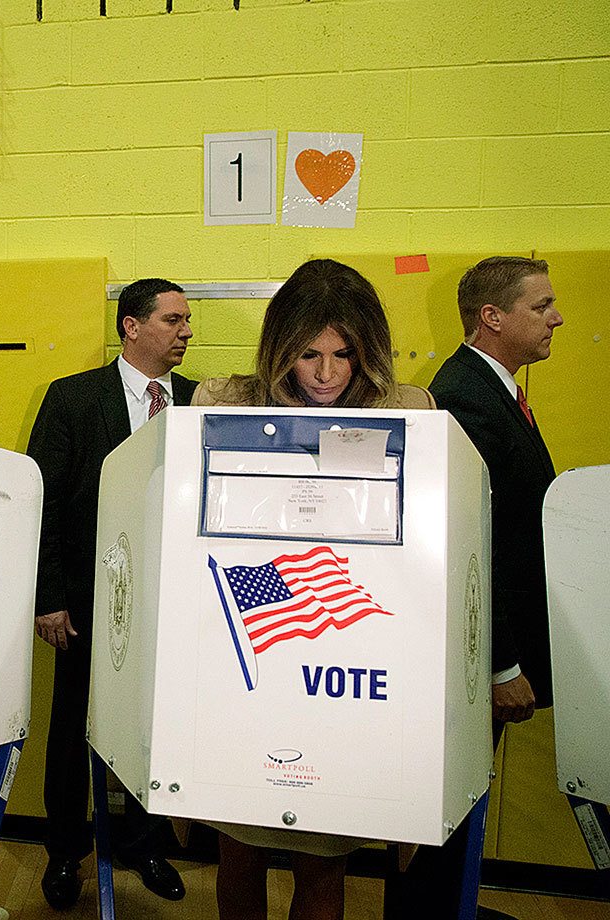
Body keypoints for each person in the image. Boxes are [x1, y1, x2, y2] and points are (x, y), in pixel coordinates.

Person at [193, 259, 434, 920]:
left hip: (348, 657)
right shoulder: (227, 400)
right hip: (246, 643)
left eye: (343, 355)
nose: (327, 374)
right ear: (280, 350)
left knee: (324, 860)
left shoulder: (404, 409)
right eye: (309, 354)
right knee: (237, 849)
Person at [393, 256, 563, 919]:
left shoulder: (497, 390)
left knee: (464, 788)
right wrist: (501, 665)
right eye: (541, 306)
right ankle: (428, 911)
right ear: (491, 318)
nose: (557, 317)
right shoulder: (464, 397)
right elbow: (468, 546)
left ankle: (443, 907)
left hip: (491, 645)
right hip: (475, 656)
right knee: (451, 791)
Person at [27, 278, 195, 908]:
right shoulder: (73, 400)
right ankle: (66, 853)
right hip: (87, 599)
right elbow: (41, 502)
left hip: (171, 603)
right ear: (131, 325)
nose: (185, 332)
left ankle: (145, 844)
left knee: (157, 725)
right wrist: (48, 597)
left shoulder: (198, 401)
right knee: (73, 729)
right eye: (172, 320)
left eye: (186, 321)